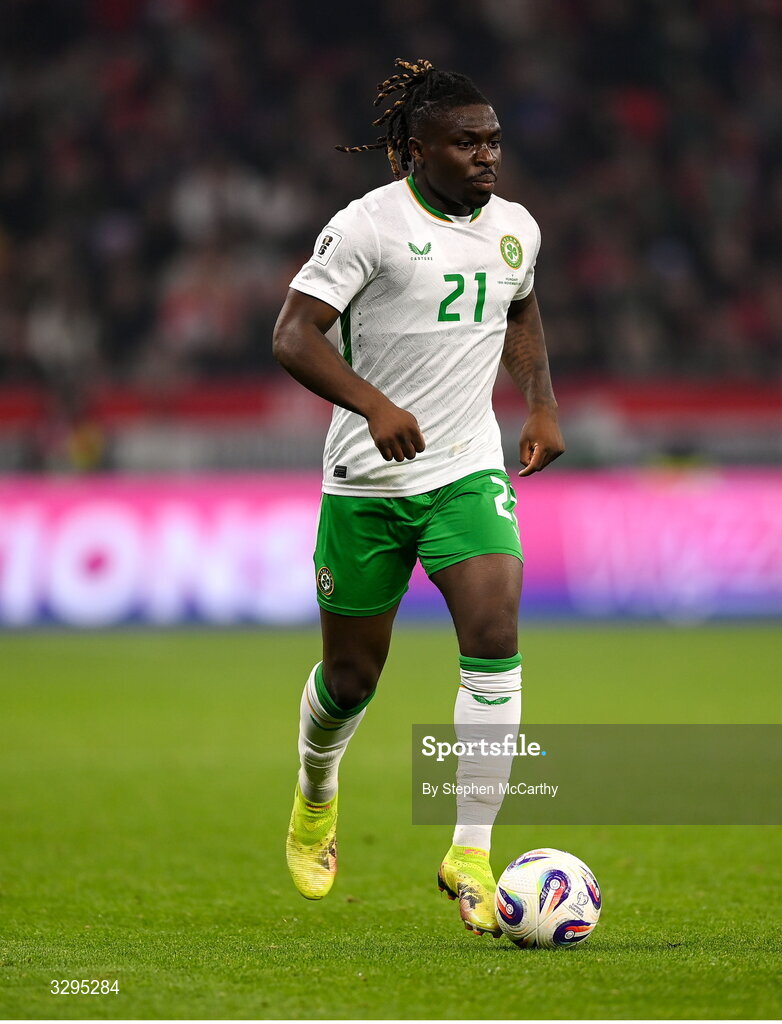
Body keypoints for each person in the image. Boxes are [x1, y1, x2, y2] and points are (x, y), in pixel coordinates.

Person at [272, 58, 564, 936]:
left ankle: (469, 850)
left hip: (465, 471)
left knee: (495, 632)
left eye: (494, 142)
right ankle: (316, 794)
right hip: (367, 481)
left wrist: (541, 403)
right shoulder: (369, 226)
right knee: (351, 679)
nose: (487, 157)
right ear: (416, 149)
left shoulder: (515, 229)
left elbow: (519, 308)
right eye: (467, 143)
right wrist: (373, 405)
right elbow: (293, 335)